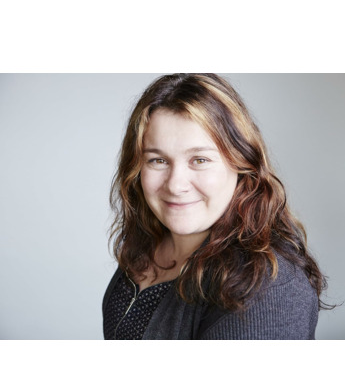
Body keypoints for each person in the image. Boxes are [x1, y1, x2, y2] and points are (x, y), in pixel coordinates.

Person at [103, 73, 327, 339]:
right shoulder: (146, 245)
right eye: (157, 160)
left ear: (241, 162)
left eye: (199, 160)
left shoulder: (265, 287)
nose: (175, 185)